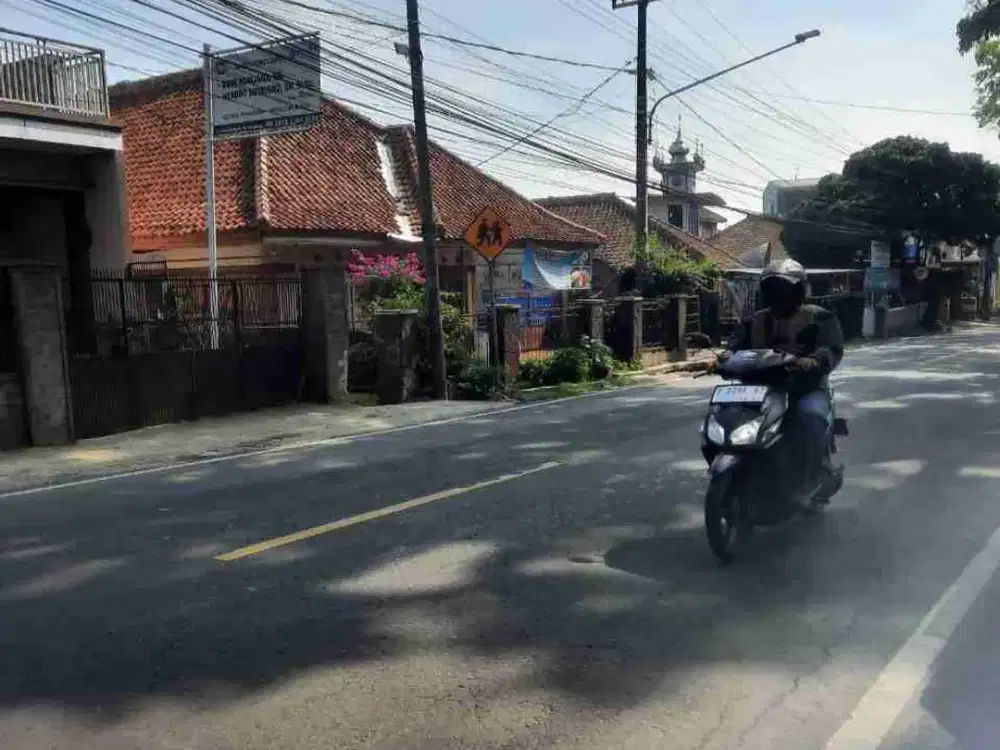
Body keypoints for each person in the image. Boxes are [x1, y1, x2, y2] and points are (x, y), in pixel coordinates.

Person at [715, 259, 844, 487]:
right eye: (773, 288)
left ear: (798, 290)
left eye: (784, 288)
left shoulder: (818, 316)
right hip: (758, 390)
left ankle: (817, 474)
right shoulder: (755, 320)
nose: (778, 294)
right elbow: (735, 346)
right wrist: (724, 357)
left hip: (804, 388)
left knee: (811, 418)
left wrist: (813, 361)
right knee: (724, 415)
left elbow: (830, 348)